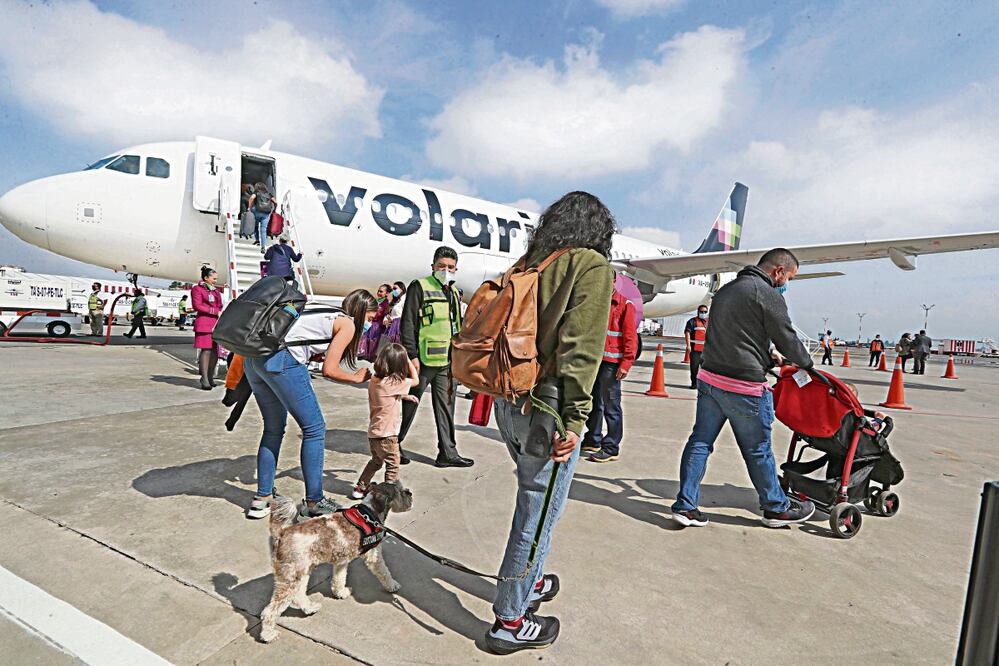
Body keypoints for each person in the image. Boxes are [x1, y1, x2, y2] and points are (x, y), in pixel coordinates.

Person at [484, 191, 615, 655]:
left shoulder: (530, 262)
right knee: (536, 514)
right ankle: (510, 620)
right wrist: (576, 421)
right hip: (549, 410)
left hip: (509, 401)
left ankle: (532, 580)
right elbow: (581, 352)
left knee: (536, 505)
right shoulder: (590, 266)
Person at [670, 248, 816, 530]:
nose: (786, 284)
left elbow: (736, 335)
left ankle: (685, 506)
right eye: (789, 278)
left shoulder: (725, 291)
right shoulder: (767, 294)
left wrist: (766, 354)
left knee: (700, 442)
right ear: (778, 271)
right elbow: (787, 338)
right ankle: (776, 508)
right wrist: (807, 363)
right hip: (744, 387)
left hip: (710, 380)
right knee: (758, 450)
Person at [244, 289, 378, 520]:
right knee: (315, 429)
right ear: (362, 311)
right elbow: (330, 370)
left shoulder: (322, 309)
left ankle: (262, 499)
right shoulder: (347, 324)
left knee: (273, 429)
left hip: (254, 360)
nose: (369, 324)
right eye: (370, 318)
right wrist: (356, 378)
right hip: (282, 360)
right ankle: (315, 501)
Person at [397, 246, 472, 468]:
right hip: (422, 360)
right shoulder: (420, 286)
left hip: (447, 361)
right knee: (408, 404)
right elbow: (408, 323)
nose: (445, 270)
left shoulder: (454, 292)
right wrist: (411, 356)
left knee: (447, 406)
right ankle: (393, 445)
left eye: (450, 267)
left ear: (456, 269)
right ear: (433, 266)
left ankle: (447, 453)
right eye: (441, 266)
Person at [350, 343, 419, 499]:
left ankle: (360, 488)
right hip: (388, 436)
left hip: (374, 433)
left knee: (376, 462)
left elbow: (386, 396)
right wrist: (409, 360)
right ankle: (389, 494)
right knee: (393, 464)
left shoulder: (375, 380)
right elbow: (415, 380)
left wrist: (404, 396)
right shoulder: (394, 383)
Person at [581, 285, 638, 463]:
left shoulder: (625, 305)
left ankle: (611, 447)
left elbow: (630, 337)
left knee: (611, 406)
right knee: (594, 403)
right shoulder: (598, 301)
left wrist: (626, 363)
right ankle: (593, 439)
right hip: (595, 362)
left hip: (612, 365)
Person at [191, 267, 223, 390]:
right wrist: (214, 311)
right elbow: (197, 305)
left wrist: (219, 311)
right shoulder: (197, 289)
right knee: (206, 350)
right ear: (206, 278)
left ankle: (210, 377)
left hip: (215, 324)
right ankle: (204, 378)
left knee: (215, 351)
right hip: (204, 324)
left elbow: (219, 305)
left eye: (216, 279)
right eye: (213, 278)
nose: (215, 281)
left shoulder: (215, 291)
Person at [683, 305, 709, 388]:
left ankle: (705, 385)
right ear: (698, 312)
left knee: (706, 370)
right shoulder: (692, 321)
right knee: (694, 368)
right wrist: (688, 346)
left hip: (706, 351)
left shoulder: (709, 322)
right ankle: (694, 384)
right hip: (695, 350)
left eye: (705, 312)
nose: (703, 313)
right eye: (702, 311)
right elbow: (687, 333)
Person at [248, 182, 275, 250]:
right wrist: (274, 209)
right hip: (266, 213)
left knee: (255, 225)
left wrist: (249, 207)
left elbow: (251, 198)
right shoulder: (269, 194)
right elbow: (276, 202)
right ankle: (263, 246)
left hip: (257, 211)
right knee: (263, 229)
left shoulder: (256, 192)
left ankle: (257, 240)